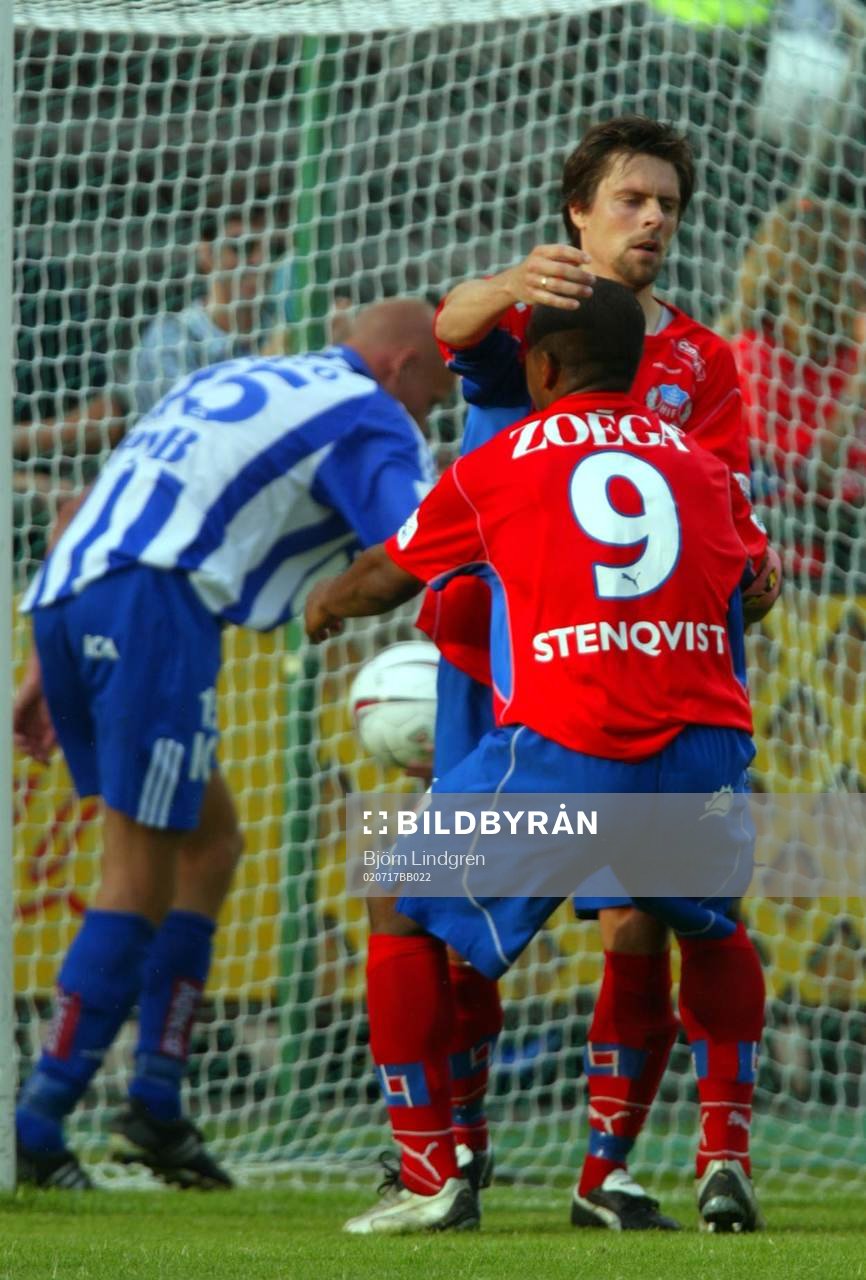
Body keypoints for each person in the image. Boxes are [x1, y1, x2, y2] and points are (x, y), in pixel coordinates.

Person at [305, 283, 778, 1234]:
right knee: (712, 927)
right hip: (703, 747)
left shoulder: (506, 460)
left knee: (399, 900)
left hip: (572, 746)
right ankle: (721, 1157)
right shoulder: (700, 465)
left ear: (543, 366)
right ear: (637, 370)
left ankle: (431, 1174)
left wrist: (326, 603)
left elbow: (391, 573)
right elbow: (758, 588)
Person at [13, 298, 453, 1190]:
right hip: (152, 607)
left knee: (211, 845)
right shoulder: (370, 413)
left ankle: (156, 1100)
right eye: (436, 397)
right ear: (403, 366)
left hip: (72, 589)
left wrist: (38, 666)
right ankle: (35, 1124)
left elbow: (89, 504)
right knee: (136, 874)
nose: (431, 416)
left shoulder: (240, 374)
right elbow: (418, 549)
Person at [426, 115, 777, 1231]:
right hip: (507, 662)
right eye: (631, 199)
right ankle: (451, 1151)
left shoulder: (702, 361)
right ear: (576, 211)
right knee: (448, 917)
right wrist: (503, 281)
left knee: (643, 917)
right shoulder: (527, 313)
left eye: (667, 204)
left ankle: (611, 1170)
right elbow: (449, 327)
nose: (653, 219)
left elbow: (725, 500)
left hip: (648, 675)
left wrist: (752, 568)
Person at [718, 195, 866, 593]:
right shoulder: (752, 357)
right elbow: (811, 475)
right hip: (790, 572)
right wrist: (860, 382)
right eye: (856, 261)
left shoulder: (846, 355)